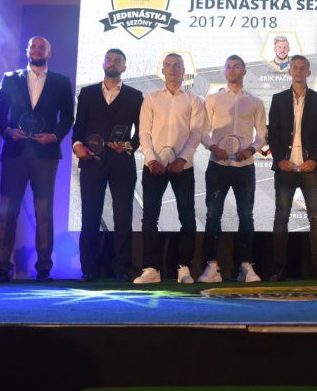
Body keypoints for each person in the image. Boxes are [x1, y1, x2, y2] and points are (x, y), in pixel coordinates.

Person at [0, 36, 74, 282]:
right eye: (33, 47)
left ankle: (44, 268)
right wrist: (7, 131)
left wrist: (54, 136)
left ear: (50, 53)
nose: (37, 50)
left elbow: (68, 117)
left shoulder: (61, 82)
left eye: (42, 47)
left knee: (44, 212)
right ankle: (1, 267)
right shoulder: (10, 78)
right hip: (15, 153)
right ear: (27, 51)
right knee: (7, 212)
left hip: (45, 154)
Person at [71, 48, 143, 281]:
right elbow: (78, 127)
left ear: (124, 67)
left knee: (123, 217)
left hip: (122, 164)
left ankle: (122, 268)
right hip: (92, 161)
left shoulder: (135, 96)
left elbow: (141, 133)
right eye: (108, 60)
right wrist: (77, 146)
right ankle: (88, 268)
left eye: (117, 61)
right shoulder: (87, 93)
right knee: (90, 216)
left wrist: (129, 146)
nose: (112, 63)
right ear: (103, 64)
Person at [134, 53, 204, 284]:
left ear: (183, 70)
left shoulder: (194, 100)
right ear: (162, 70)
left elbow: (196, 133)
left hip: (183, 167)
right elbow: (144, 132)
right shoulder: (151, 99)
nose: (172, 69)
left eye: (176, 66)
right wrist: (152, 160)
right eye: (168, 65)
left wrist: (182, 159)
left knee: (188, 218)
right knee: (149, 218)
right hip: (154, 167)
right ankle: (152, 269)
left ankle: (184, 268)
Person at [197, 55, 267, 284]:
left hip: (244, 167)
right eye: (228, 66)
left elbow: (262, 135)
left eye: (237, 66)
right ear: (224, 71)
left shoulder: (255, 102)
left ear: (244, 71)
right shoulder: (213, 99)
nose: (232, 69)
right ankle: (212, 266)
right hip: (218, 166)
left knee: (246, 216)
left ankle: (245, 266)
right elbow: (202, 132)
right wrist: (213, 147)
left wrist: (252, 149)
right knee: (212, 215)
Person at [268, 55, 317, 280]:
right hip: (285, 168)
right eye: (295, 67)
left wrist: (314, 159)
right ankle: (278, 267)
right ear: (289, 71)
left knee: (316, 218)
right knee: (281, 219)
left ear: (308, 72)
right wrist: (279, 159)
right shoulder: (278, 99)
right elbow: (272, 134)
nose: (298, 71)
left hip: (310, 168)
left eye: (302, 68)